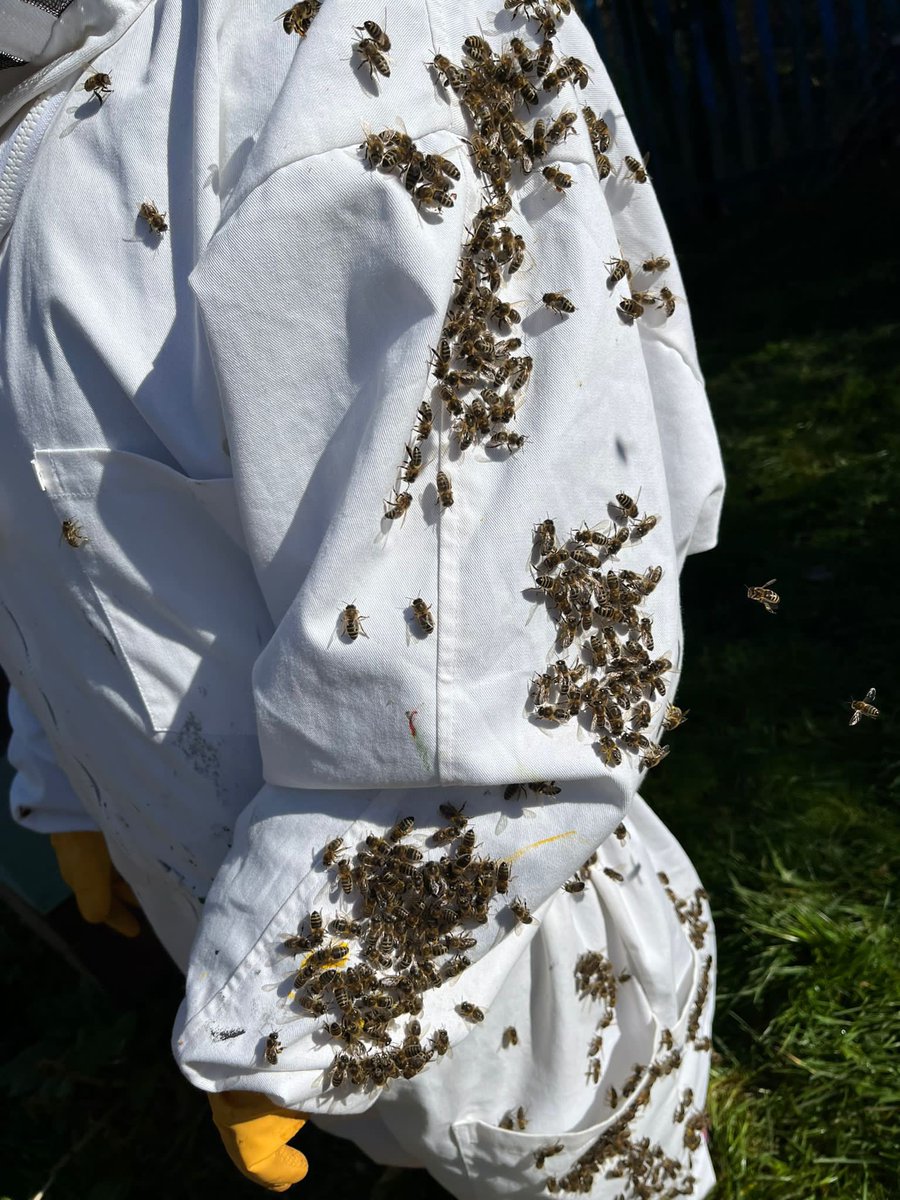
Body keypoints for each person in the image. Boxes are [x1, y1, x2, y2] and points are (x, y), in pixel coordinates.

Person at [1, 0, 725, 1195]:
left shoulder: (359, 43)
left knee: (579, 1142)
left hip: (512, 971)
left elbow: (492, 645)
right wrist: (63, 774)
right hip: (271, 943)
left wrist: (294, 1006)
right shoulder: (47, 116)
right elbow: (57, 534)